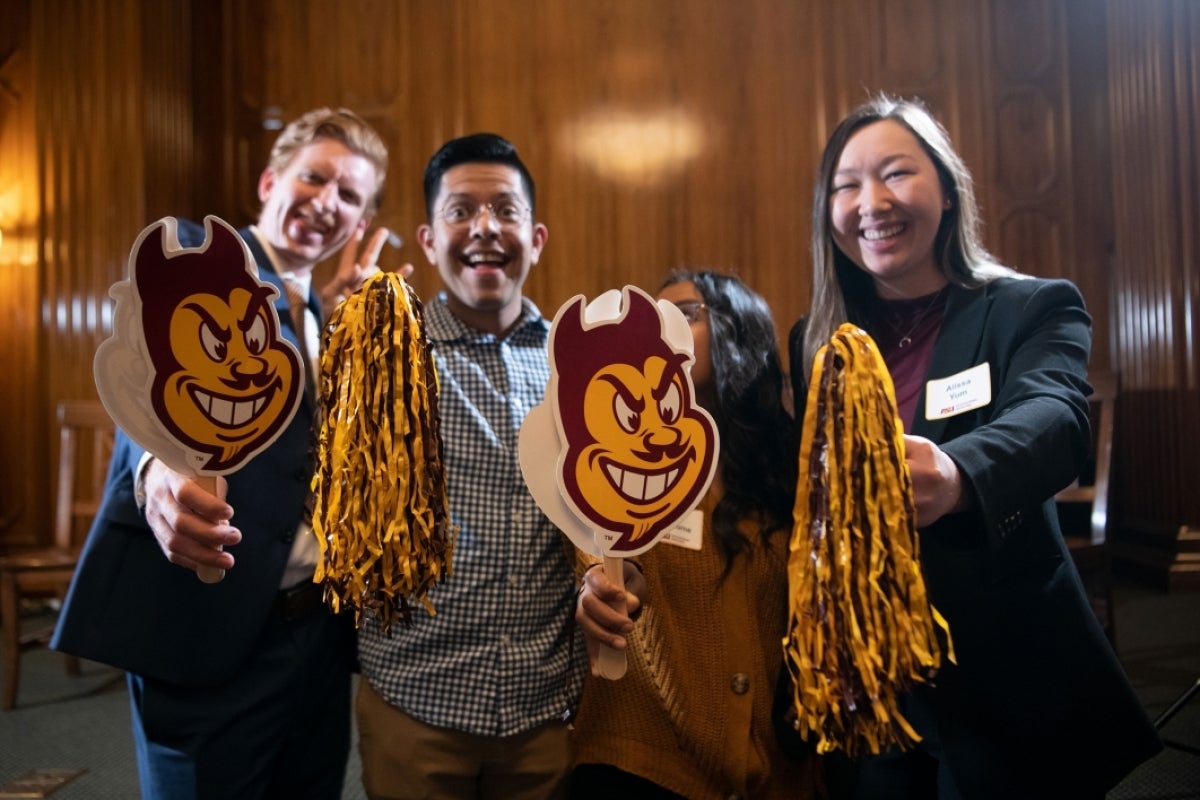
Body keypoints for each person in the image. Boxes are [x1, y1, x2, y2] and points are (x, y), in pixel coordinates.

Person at [780, 93, 1161, 799]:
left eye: (896, 172)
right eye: (847, 184)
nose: (872, 201)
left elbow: (1055, 419)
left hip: (1003, 666)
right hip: (874, 685)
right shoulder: (816, 341)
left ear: (949, 192)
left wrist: (958, 474)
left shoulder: (1030, 306)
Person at [52, 107, 394, 799]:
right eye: (314, 178)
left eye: (349, 195)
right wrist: (156, 473)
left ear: (359, 222)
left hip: (316, 636)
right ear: (270, 181)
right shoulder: (201, 262)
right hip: (209, 626)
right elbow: (149, 380)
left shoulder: (326, 311)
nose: (328, 201)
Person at [353, 132, 584, 800]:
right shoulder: (384, 360)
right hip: (415, 703)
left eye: (504, 210)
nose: (485, 227)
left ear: (535, 237)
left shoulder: (579, 364)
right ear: (429, 239)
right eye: (461, 211)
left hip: (547, 711)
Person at [570, 269, 827, 799]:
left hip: (778, 770)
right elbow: (601, 557)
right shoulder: (616, 455)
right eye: (653, 321)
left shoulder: (793, 465)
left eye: (685, 313)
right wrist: (606, 585)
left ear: (740, 329)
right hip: (643, 767)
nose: (662, 331)